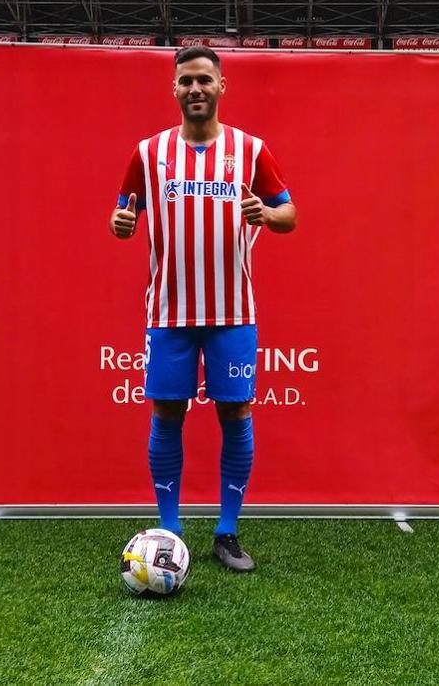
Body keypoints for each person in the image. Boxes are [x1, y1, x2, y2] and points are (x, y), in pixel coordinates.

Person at [110, 46, 297, 571]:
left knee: (235, 412)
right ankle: (169, 530)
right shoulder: (147, 154)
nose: (196, 89)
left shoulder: (251, 149)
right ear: (174, 89)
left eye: (205, 81)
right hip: (168, 312)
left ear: (221, 86)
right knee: (167, 412)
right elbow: (121, 211)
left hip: (233, 310)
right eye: (186, 81)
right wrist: (119, 223)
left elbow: (291, 214)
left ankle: (227, 530)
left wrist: (269, 211)